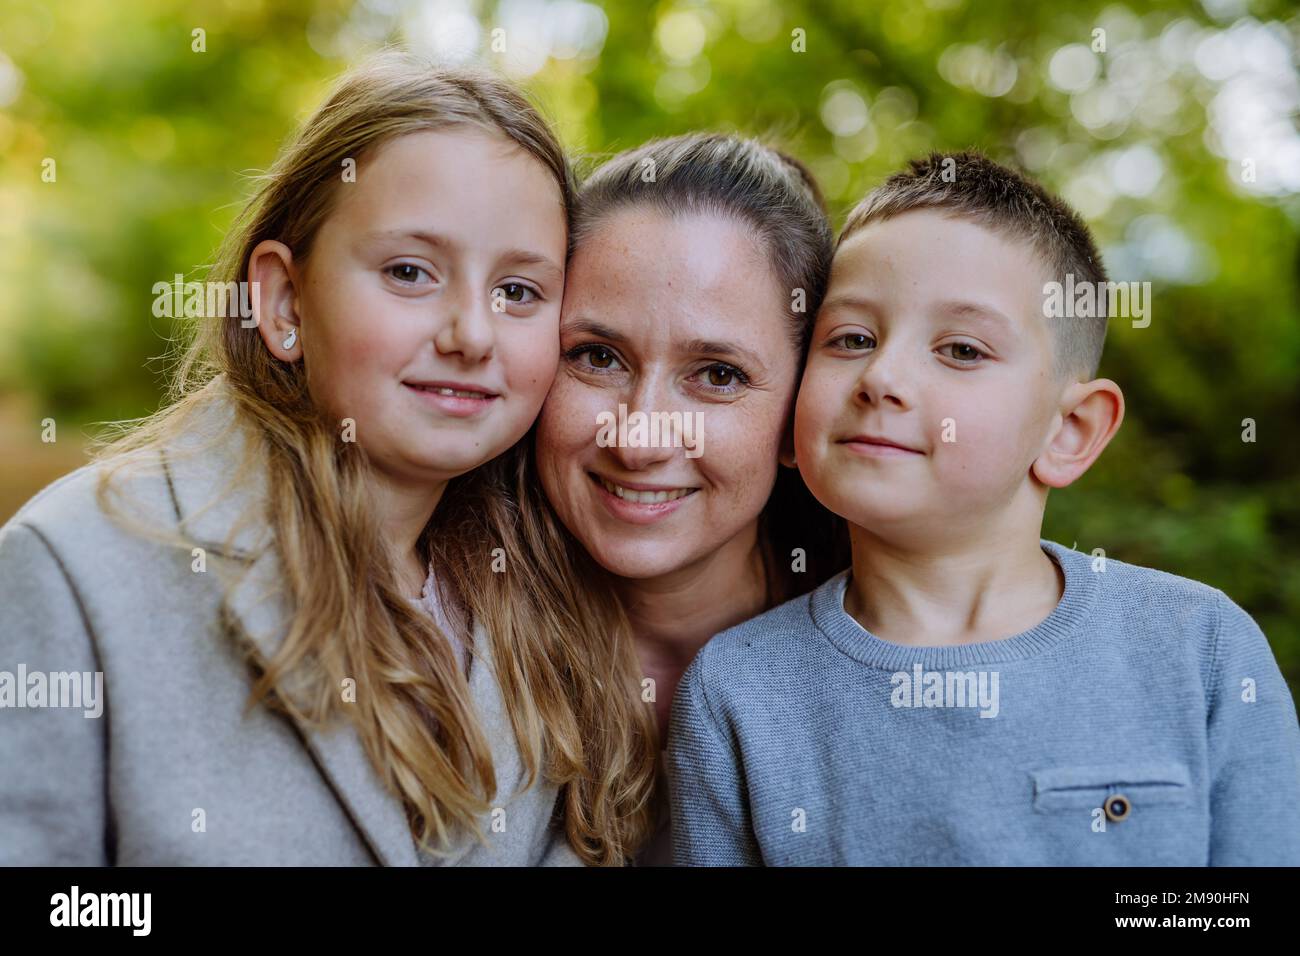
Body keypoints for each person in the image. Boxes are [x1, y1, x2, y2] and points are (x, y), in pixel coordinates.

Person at [0, 53, 654, 866]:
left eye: (517, 291)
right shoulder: (76, 567)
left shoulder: (543, 590)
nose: (471, 335)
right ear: (282, 302)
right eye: (409, 272)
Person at [668, 151, 1300, 865]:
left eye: (962, 349)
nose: (882, 377)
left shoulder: (1199, 649)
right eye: (851, 339)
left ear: (1070, 431)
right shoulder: (739, 691)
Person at [534, 132, 847, 864]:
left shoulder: (886, 660)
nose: (639, 438)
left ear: (800, 414)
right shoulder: (441, 636)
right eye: (597, 357)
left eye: (718, 374)